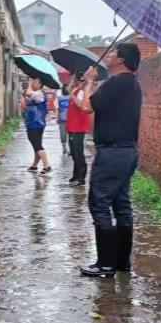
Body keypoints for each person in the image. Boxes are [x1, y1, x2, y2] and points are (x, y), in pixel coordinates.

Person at [78, 43, 142, 278]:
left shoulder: (116, 82)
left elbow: (86, 107)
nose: (109, 55)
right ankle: (121, 262)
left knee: (100, 202)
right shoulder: (133, 84)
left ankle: (105, 264)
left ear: (121, 60)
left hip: (112, 153)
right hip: (128, 151)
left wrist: (89, 82)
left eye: (113, 53)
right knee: (121, 204)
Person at [23, 78, 52, 176]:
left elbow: (28, 94)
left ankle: (47, 165)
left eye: (35, 81)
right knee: (37, 145)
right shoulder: (36, 94)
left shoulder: (39, 94)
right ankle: (34, 165)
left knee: (37, 145)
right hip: (34, 123)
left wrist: (29, 84)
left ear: (40, 85)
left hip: (35, 123)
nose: (33, 82)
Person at [66, 74, 91, 186]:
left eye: (73, 77)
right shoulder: (76, 90)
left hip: (78, 126)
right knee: (74, 152)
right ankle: (76, 175)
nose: (71, 79)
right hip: (72, 126)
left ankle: (81, 177)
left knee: (78, 152)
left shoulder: (81, 91)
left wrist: (72, 94)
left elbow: (80, 105)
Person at [55, 84, 70, 154]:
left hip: (71, 119)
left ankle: (70, 148)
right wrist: (57, 117)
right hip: (62, 119)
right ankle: (64, 147)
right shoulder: (59, 98)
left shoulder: (72, 98)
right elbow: (57, 109)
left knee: (71, 135)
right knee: (63, 135)